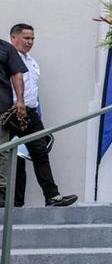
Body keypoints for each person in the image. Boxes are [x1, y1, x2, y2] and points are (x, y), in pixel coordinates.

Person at [8, 24, 77, 207]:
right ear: (13, 38)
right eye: (26, 38)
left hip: (31, 114)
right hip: (11, 115)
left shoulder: (32, 62)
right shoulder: (6, 60)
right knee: (15, 159)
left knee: (40, 153)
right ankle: (15, 203)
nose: (30, 42)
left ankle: (52, 196)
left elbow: (33, 91)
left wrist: (37, 112)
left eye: (32, 39)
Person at [0, 32, 26, 206]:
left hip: (0, 108)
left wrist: (20, 101)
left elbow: (17, 74)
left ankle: (1, 193)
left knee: (2, 152)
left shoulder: (5, 48)